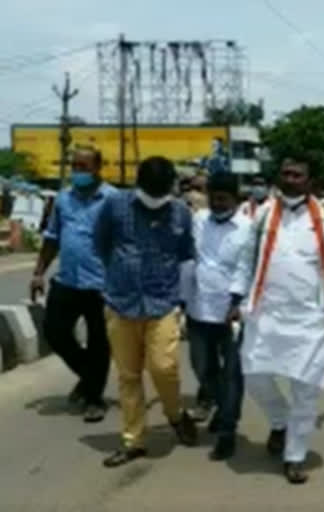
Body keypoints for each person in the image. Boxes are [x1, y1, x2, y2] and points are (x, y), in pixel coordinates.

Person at [230, 156, 324, 485]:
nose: (291, 179)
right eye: (286, 174)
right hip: (266, 311)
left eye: (298, 175)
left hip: (309, 316)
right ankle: (279, 421)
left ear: (308, 181)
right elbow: (247, 259)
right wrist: (236, 298)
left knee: (305, 389)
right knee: (253, 373)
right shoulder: (263, 213)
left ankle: (295, 455)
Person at [94, 156, 198, 468]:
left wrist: (184, 300)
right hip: (121, 301)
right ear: (138, 184)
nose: (154, 199)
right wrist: (118, 273)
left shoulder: (180, 212)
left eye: (160, 192)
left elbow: (186, 255)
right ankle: (133, 440)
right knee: (128, 375)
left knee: (164, 367)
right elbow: (100, 243)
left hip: (163, 301)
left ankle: (175, 414)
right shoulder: (115, 206)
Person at [30, 148, 116, 423]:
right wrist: (38, 272)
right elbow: (52, 237)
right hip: (68, 280)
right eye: (75, 166)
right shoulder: (64, 200)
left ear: (98, 168)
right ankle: (90, 378)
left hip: (102, 285)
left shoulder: (114, 200)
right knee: (54, 332)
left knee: (99, 343)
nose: (78, 171)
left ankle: (93, 399)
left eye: (84, 166)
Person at [183, 172, 249, 460]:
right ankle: (223, 408)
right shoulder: (199, 221)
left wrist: (237, 301)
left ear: (236, 199)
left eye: (224, 199)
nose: (218, 204)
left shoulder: (248, 228)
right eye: (214, 198)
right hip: (198, 309)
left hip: (231, 313)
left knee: (232, 374)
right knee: (201, 366)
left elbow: (247, 269)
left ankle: (227, 431)